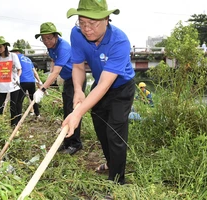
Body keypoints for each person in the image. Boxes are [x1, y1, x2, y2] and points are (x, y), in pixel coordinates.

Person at [62, 0, 135, 185]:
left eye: (92, 23)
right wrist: (78, 90)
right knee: (101, 129)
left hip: (120, 87)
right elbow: (78, 66)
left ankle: (117, 181)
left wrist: (77, 113)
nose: (86, 29)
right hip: (99, 84)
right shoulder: (76, 34)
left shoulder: (120, 41)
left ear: (106, 19)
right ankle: (112, 164)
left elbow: (104, 84)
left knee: (115, 132)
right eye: (82, 22)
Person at [33, 22, 86, 155]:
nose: (46, 41)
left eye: (49, 38)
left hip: (77, 80)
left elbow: (56, 72)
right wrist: (52, 82)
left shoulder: (63, 48)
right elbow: (54, 63)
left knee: (73, 111)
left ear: (56, 36)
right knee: (66, 110)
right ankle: (68, 140)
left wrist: (42, 88)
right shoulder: (51, 47)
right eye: (43, 39)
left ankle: (75, 144)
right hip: (68, 80)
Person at [10, 48, 42, 119]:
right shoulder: (28, 59)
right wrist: (39, 81)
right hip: (31, 81)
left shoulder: (16, 57)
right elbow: (34, 72)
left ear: (16, 52)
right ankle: (38, 114)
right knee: (33, 98)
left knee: (19, 101)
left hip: (22, 81)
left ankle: (19, 117)